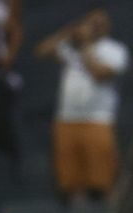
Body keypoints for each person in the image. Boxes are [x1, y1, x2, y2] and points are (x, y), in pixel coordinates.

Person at [36, 9, 129, 202]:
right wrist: (68, 32)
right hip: (67, 118)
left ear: (107, 26)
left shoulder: (114, 49)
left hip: (98, 118)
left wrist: (86, 46)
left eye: (99, 23)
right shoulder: (71, 48)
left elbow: (100, 74)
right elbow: (42, 51)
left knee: (104, 177)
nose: (94, 27)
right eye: (91, 22)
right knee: (71, 179)